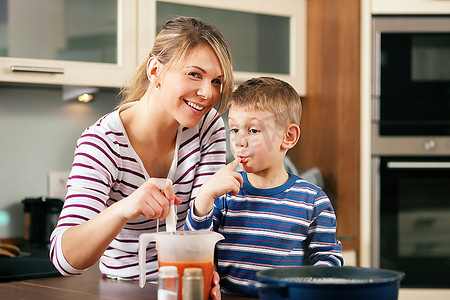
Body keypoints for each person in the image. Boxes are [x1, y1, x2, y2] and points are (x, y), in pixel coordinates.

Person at [50, 17, 233, 299]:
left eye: (216, 81)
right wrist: (126, 206)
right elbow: (65, 259)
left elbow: (199, 234)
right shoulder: (103, 143)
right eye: (194, 74)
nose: (208, 93)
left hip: (186, 285)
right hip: (123, 289)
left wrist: (203, 271)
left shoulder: (207, 127)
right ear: (155, 70)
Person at [184, 77, 344, 297]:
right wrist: (204, 197)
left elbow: (328, 259)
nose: (239, 141)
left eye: (253, 131)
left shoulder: (313, 200)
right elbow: (193, 251)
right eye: (234, 129)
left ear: (288, 136)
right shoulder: (225, 195)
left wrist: (310, 288)